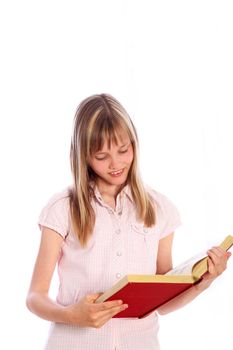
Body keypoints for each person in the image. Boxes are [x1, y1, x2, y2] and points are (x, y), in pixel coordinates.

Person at [26, 93, 231, 350]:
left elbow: (163, 302)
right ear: (84, 157)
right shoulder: (62, 208)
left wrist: (204, 281)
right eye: (101, 156)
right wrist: (70, 315)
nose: (116, 164)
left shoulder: (160, 209)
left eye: (124, 150)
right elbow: (35, 296)